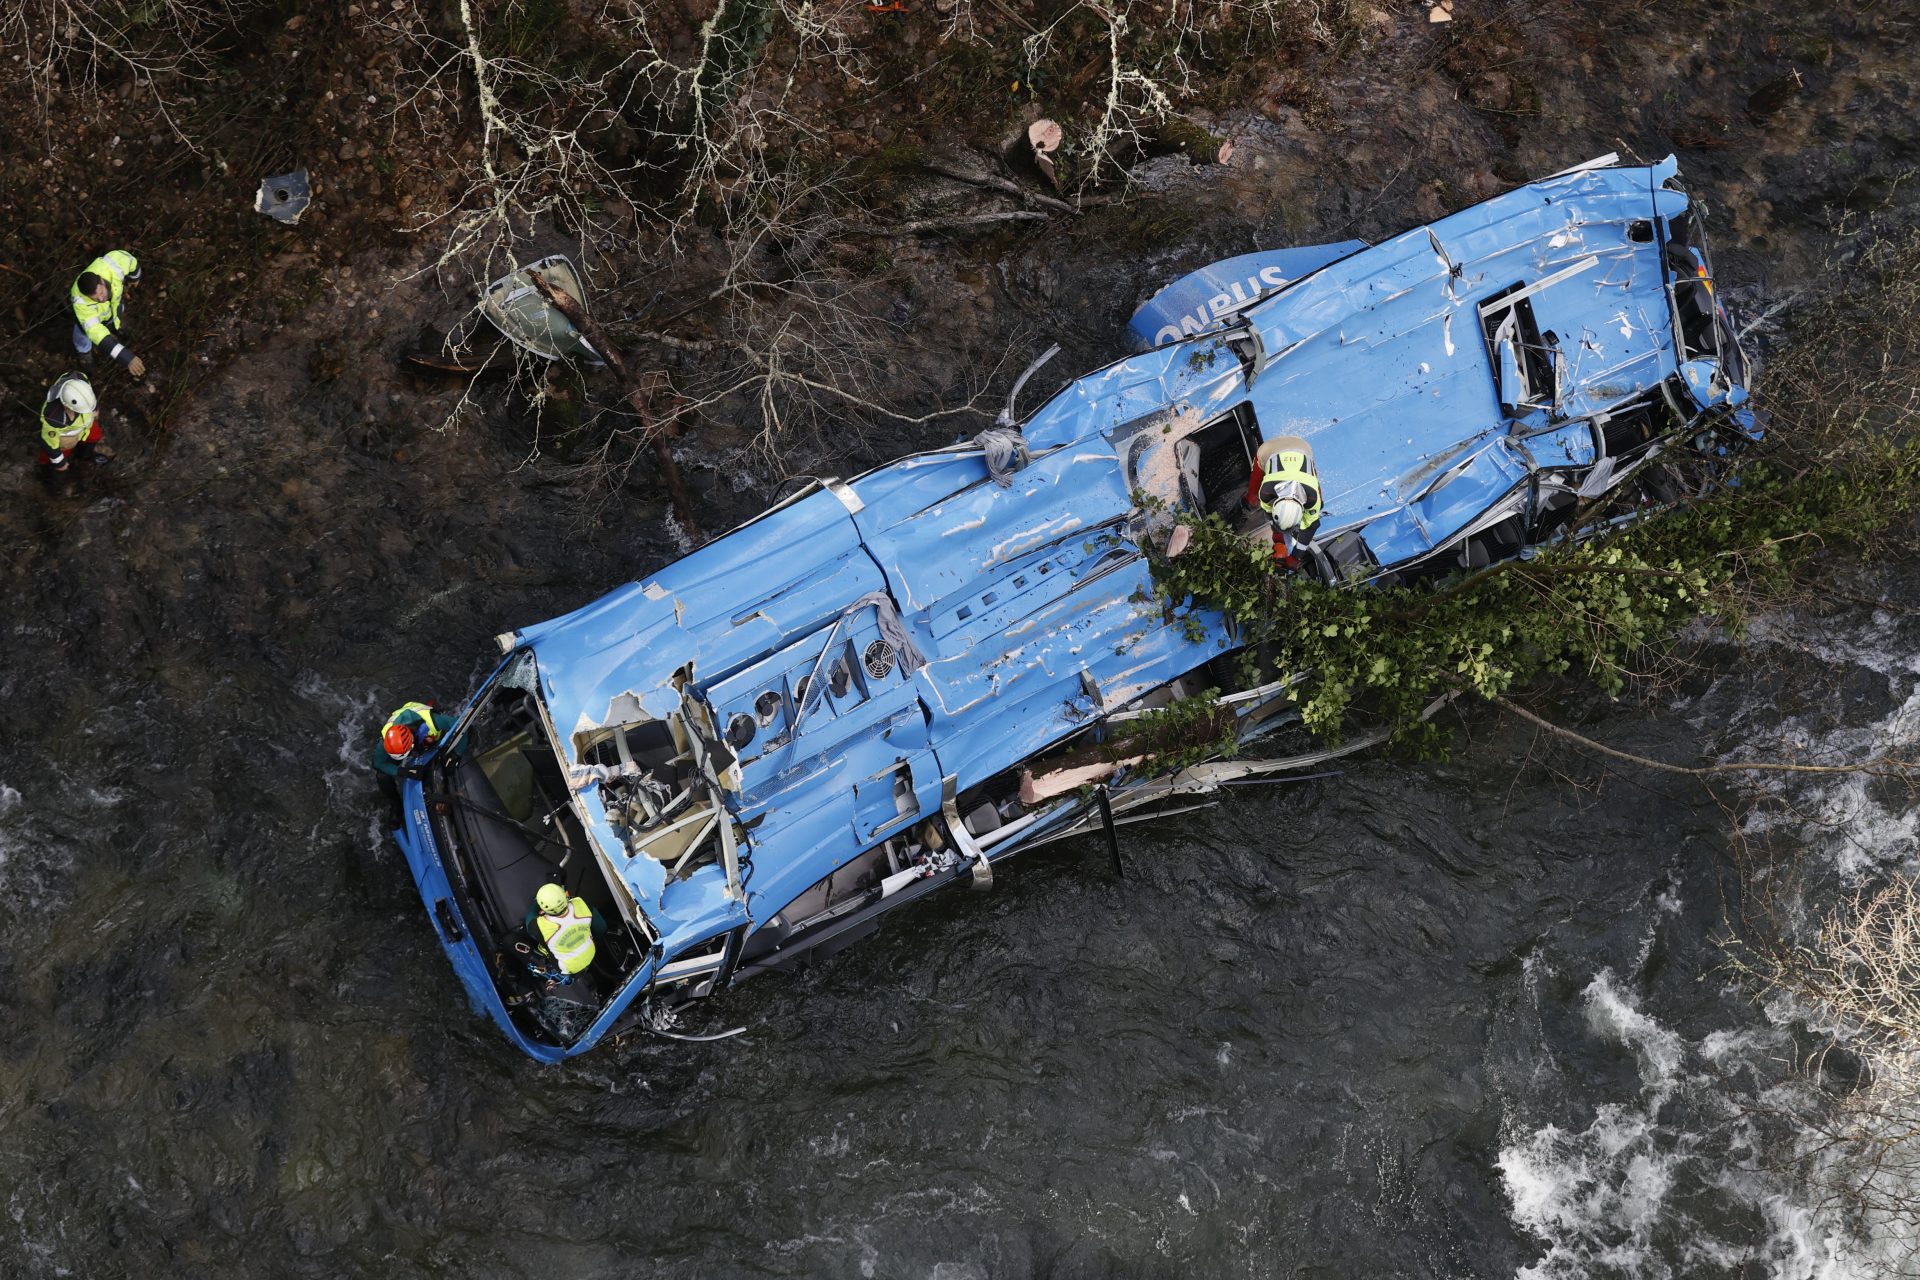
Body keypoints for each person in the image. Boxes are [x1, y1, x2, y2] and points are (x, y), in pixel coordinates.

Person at [1247, 435, 1324, 566]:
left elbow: (1311, 526)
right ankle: (1246, 503)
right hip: (1269, 449)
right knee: (1253, 498)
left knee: (1318, 505)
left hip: (1303, 447)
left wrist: (1296, 556)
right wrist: (1279, 542)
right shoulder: (1265, 492)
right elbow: (1271, 518)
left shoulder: (1313, 497)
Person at [70, 249, 146, 378]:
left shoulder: (112, 263)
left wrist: (135, 277)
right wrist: (125, 356)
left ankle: (118, 326)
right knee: (83, 334)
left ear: (101, 281)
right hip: (91, 320)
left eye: (101, 292)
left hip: (113, 308)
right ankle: (84, 353)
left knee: (117, 314)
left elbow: (130, 261)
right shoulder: (80, 302)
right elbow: (96, 332)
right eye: (95, 297)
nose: (100, 298)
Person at [524, 882, 608, 980]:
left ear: (542, 909)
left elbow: (530, 916)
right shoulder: (581, 903)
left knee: (542, 945)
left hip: (566, 968)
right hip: (591, 952)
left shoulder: (538, 926)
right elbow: (601, 928)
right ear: (565, 894)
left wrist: (536, 902)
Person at [37, 372, 113, 471]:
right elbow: (49, 443)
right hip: (67, 435)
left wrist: (94, 408)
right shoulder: (54, 419)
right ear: (67, 406)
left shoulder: (79, 379)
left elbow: (88, 394)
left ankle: (85, 455)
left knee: (95, 435)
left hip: (85, 422)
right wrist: (59, 462)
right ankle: (45, 467)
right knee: (63, 450)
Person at [372, 700, 445, 781]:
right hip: (412, 739)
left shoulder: (432, 723)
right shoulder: (387, 738)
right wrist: (404, 772)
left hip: (426, 736)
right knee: (382, 776)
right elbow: (378, 763)